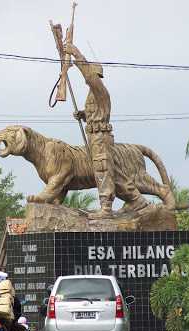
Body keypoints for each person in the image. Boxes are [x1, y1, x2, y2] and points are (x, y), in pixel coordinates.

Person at [63, 42, 149, 217]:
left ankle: (106, 209)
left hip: (100, 137)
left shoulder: (100, 90)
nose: (88, 79)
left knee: (102, 169)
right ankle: (138, 201)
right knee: (113, 171)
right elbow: (98, 113)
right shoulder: (93, 95)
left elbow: (89, 78)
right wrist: (84, 115)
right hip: (96, 135)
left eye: (90, 75)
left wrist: (76, 53)